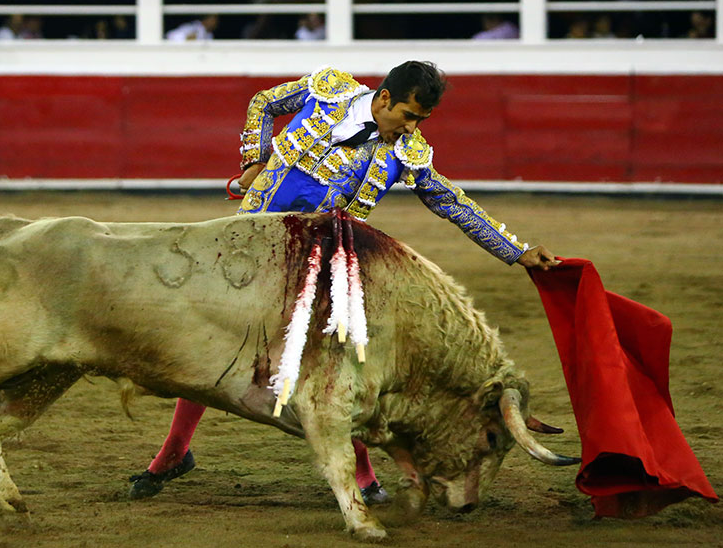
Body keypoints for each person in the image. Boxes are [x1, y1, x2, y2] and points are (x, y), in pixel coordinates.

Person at [128, 61, 560, 505]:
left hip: (317, 263)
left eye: (420, 121)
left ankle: (364, 475)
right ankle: (175, 453)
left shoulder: (407, 152)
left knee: (327, 365)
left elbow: (453, 203)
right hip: (248, 245)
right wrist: (254, 162)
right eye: (408, 116)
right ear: (385, 98)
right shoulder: (328, 91)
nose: (410, 129)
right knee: (209, 344)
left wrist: (516, 250)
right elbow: (264, 102)